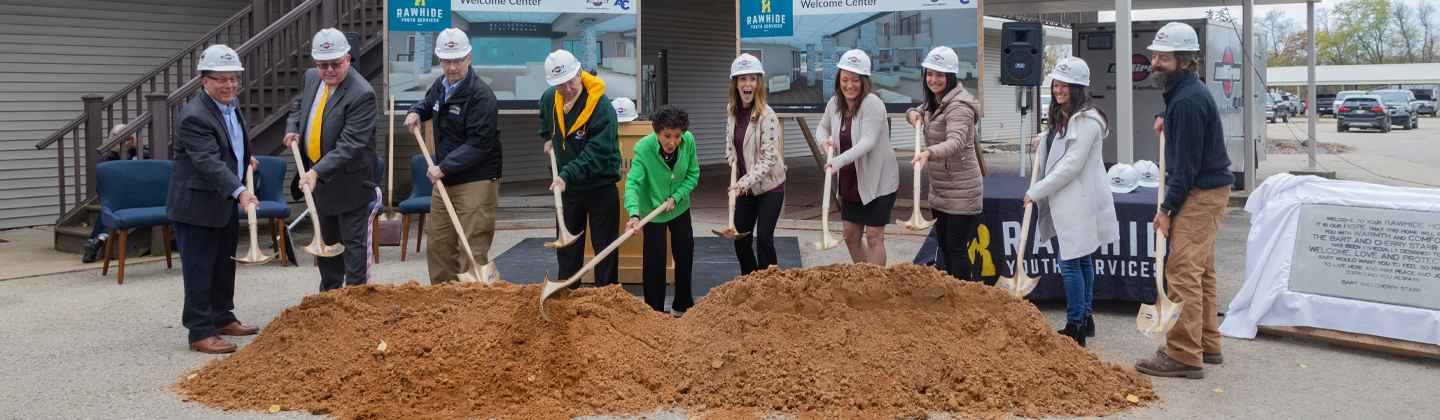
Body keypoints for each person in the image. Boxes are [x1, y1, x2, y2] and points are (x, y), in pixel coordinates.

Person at [1133, 22, 1235, 379]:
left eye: (1164, 57)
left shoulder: (1189, 100)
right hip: (1208, 188)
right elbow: (1182, 122)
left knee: (1181, 272)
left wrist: (1166, 209)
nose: (1155, 63)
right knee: (1202, 271)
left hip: (1200, 192)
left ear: (1186, 60)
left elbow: (1187, 167)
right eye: (1155, 56)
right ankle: (1207, 342)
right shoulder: (1184, 93)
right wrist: (1166, 114)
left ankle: (1183, 354)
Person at [166, 44, 260, 354]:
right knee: (199, 269)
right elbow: (208, 161)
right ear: (204, 81)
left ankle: (222, 317)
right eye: (221, 79)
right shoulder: (195, 116)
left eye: (233, 79)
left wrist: (245, 160)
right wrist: (241, 190)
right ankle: (199, 331)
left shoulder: (231, 106)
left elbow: (228, 149)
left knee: (223, 266)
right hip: (196, 207)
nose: (229, 85)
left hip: (221, 202)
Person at [1022, 57, 1119, 348]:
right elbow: (1060, 139)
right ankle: (1086, 318)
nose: (1058, 89)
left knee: (1071, 263)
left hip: (1078, 201)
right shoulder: (1068, 114)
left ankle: (1075, 325)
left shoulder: (1087, 120)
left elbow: (1071, 164)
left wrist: (1037, 190)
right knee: (1083, 258)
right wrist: (1043, 137)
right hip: (1073, 199)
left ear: (1079, 88)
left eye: (1065, 85)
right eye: (1056, 84)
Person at [283, 28, 379, 293]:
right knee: (327, 244)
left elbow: (350, 145)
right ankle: (330, 297)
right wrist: (292, 127)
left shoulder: (362, 94)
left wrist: (315, 172)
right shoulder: (311, 78)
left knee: (353, 247)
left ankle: (356, 299)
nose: (329, 71)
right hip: (320, 182)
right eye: (322, 65)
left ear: (348, 58)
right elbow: (298, 106)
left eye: (336, 64)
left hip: (350, 181)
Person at [404, 28, 502, 285]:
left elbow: (479, 145)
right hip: (446, 178)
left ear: (469, 58)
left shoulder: (482, 96)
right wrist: (415, 111)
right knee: (438, 246)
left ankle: (473, 308)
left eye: (458, 60)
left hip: (476, 179)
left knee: (471, 248)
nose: (452, 67)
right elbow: (428, 103)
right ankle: (444, 304)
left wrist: (444, 166)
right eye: (447, 61)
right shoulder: (440, 85)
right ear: (439, 61)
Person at [538, 49, 622, 287]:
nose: (566, 90)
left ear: (579, 73)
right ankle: (568, 296)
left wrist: (566, 175)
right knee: (567, 252)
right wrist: (547, 137)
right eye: (560, 86)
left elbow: (597, 151)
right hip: (568, 191)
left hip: (599, 188)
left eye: (571, 82)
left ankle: (606, 301)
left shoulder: (601, 106)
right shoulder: (549, 98)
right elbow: (545, 118)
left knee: (604, 252)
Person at [904, 46, 983, 281]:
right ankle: (953, 293)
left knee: (956, 246)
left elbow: (956, 142)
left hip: (962, 188)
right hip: (941, 188)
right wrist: (911, 113)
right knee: (946, 245)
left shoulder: (959, 105)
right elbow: (917, 111)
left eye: (940, 75)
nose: (933, 79)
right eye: (929, 74)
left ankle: (962, 298)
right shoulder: (935, 101)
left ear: (951, 76)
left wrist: (929, 153)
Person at [817, 49, 899, 265]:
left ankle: (876, 287)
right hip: (851, 180)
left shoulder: (872, 103)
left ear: (864, 81)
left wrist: (837, 161)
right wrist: (823, 141)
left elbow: (868, 141)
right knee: (850, 236)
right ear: (839, 80)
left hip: (877, 179)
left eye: (855, 80)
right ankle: (864, 280)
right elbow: (822, 128)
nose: (849, 85)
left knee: (873, 236)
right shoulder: (835, 103)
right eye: (845, 80)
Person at [623, 105, 699, 316]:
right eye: (666, 136)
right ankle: (654, 312)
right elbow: (632, 184)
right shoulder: (643, 148)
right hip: (652, 211)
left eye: (677, 136)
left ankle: (682, 304)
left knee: (685, 253)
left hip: (680, 207)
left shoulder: (689, 141)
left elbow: (693, 174)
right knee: (654, 260)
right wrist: (634, 214)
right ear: (656, 132)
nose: (672, 142)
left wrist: (677, 196)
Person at [724, 54, 787, 276]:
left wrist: (741, 184)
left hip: (770, 187)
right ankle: (752, 283)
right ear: (736, 84)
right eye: (742, 79)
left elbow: (768, 160)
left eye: (752, 78)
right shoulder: (732, 110)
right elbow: (731, 140)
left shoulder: (767, 116)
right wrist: (730, 154)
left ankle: (771, 288)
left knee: (764, 240)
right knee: (740, 238)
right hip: (746, 188)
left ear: (759, 83)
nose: (747, 84)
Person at [81, 124, 152, 263]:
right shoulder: (109, 157)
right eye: (121, 139)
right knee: (108, 210)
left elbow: (142, 170)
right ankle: (95, 244)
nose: (125, 143)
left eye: (129, 139)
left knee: (112, 210)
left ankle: (95, 244)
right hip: (116, 196)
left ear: (133, 139)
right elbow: (104, 182)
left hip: (136, 195)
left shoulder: (141, 153)